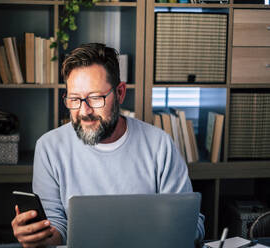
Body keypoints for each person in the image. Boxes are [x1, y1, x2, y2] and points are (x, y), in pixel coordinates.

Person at [11, 43, 205, 248]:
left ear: (120, 93)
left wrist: (182, 231)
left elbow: (191, 224)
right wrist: (40, 236)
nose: (84, 111)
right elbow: (58, 226)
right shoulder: (49, 148)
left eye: (95, 98)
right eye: (74, 99)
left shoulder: (160, 145)